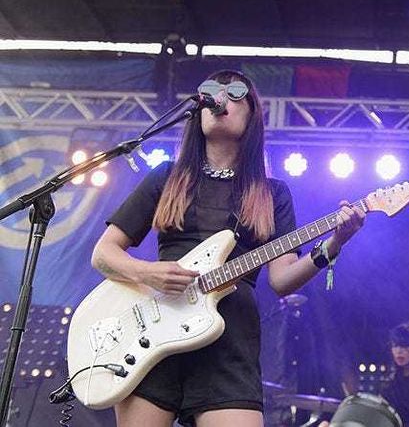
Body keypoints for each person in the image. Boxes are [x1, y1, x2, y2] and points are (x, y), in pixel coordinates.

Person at [90, 70, 366, 427]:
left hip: (229, 345)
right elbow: (104, 254)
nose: (219, 98)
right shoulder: (166, 178)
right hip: (152, 338)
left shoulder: (272, 193)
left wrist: (335, 242)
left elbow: (282, 280)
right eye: (210, 91)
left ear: (252, 115)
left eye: (235, 92)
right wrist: (150, 273)